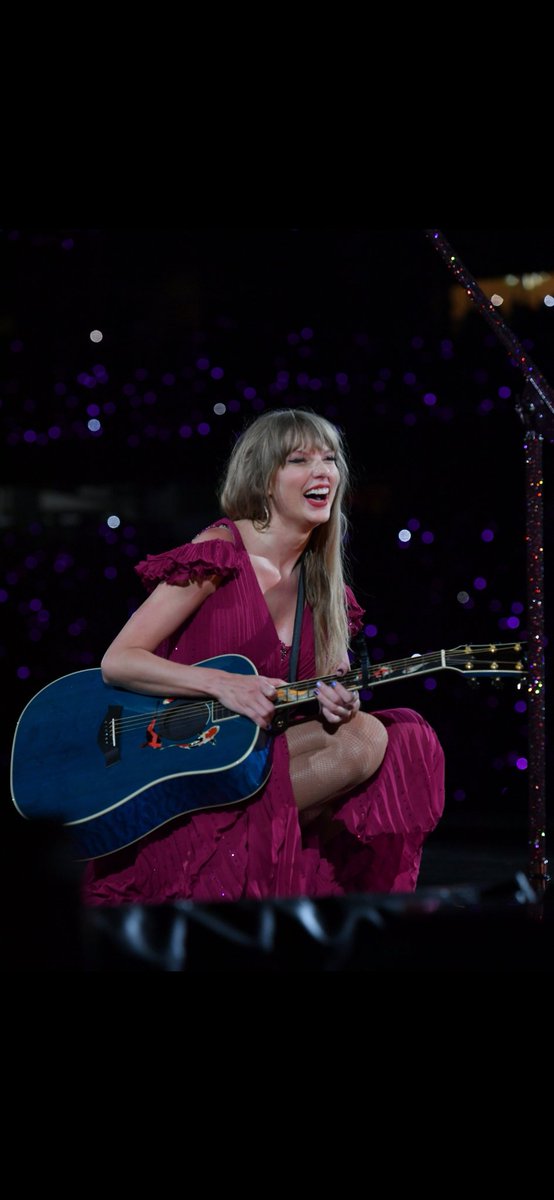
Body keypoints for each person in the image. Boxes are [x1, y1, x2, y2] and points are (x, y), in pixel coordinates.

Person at [83, 408, 444, 905]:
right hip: (180, 768)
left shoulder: (325, 589)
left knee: (393, 739)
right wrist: (221, 683)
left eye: (330, 459)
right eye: (300, 460)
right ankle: (201, 840)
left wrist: (335, 705)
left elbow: (310, 710)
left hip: (253, 765)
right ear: (265, 480)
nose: (323, 472)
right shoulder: (219, 553)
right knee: (368, 740)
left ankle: (238, 840)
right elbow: (119, 660)